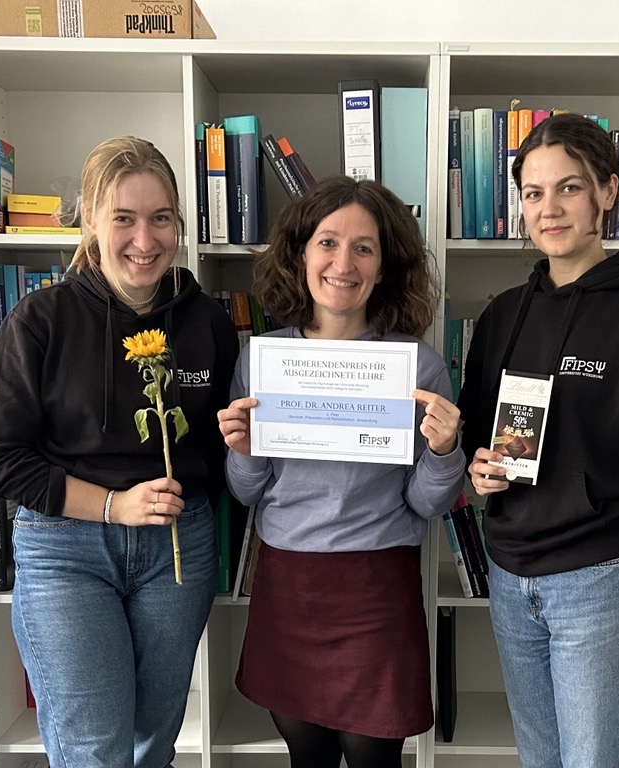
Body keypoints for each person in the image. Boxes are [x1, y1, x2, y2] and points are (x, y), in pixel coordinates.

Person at [0, 136, 238, 768]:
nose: (144, 239)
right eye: (123, 218)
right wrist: (115, 506)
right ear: (89, 219)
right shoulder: (40, 319)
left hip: (178, 548)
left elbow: (224, 453)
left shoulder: (207, 323)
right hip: (66, 550)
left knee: (152, 742)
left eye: (160, 218)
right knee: (95, 751)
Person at [458, 113, 619, 768]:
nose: (549, 208)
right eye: (533, 193)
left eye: (568, 187)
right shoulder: (502, 315)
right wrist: (477, 468)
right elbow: (477, 434)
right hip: (510, 577)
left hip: (600, 583)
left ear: (608, 192)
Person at [217, 175, 466, 768]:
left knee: (373, 756)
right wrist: (244, 449)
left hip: (376, 586)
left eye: (364, 248)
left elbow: (428, 504)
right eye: (327, 243)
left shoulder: (418, 366)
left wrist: (444, 451)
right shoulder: (262, 360)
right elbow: (247, 492)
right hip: (288, 582)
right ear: (301, 254)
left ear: (384, 267)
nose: (343, 263)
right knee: (306, 755)